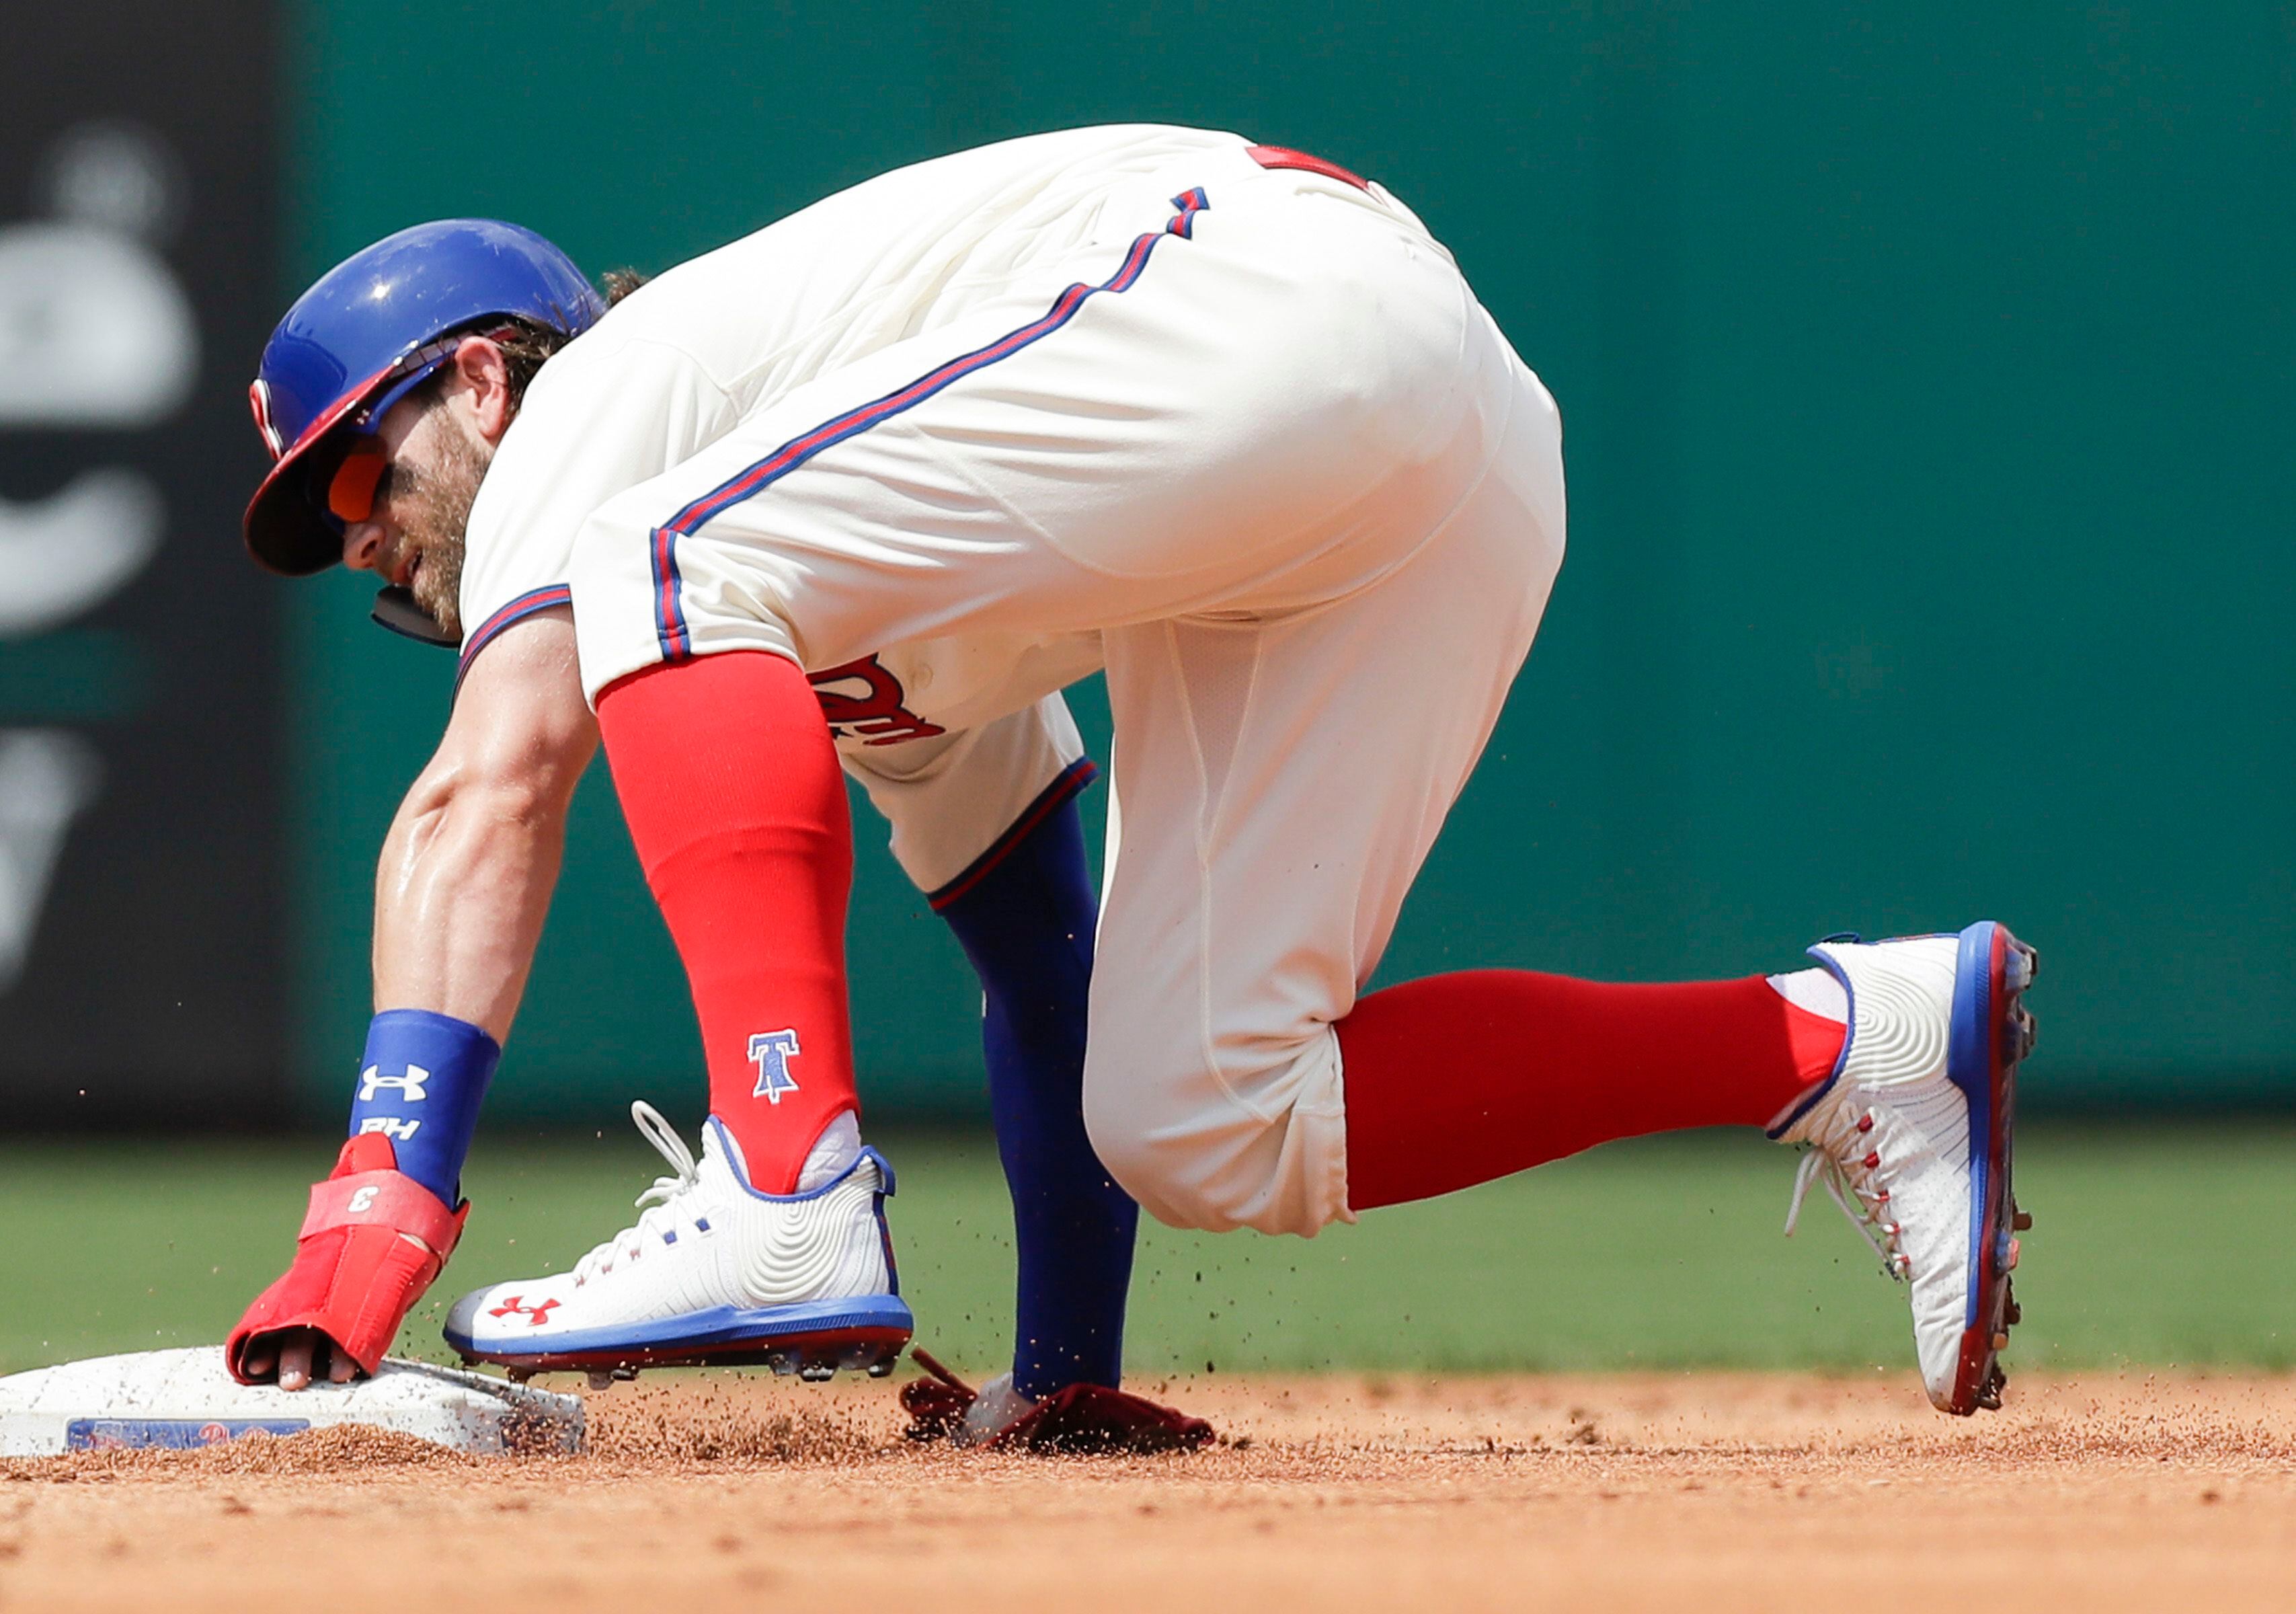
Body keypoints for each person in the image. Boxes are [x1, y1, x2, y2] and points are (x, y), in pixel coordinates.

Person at [228, 125, 2036, 1432]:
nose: (363, 541)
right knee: (1198, 1114)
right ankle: (1848, 1044)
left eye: (352, 477)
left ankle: (782, 1185)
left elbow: (485, 797)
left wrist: (380, 1204)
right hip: (1433, 456)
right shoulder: (825, 583)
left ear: (476, 378)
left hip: (1259, 288)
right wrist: (1063, 1383)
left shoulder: (593, 416)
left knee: (653, 565)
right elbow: (1041, 962)